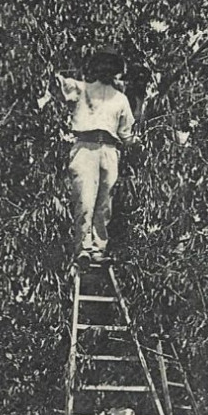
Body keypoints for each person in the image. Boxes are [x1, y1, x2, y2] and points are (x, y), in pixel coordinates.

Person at [57, 47, 140, 268]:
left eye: (110, 67)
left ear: (115, 71)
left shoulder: (121, 99)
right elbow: (57, 83)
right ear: (95, 69)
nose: (106, 70)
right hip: (85, 148)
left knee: (104, 204)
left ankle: (98, 249)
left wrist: (141, 140)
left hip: (110, 151)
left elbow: (127, 133)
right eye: (102, 66)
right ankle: (83, 248)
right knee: (84, 200)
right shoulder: (82, 89)